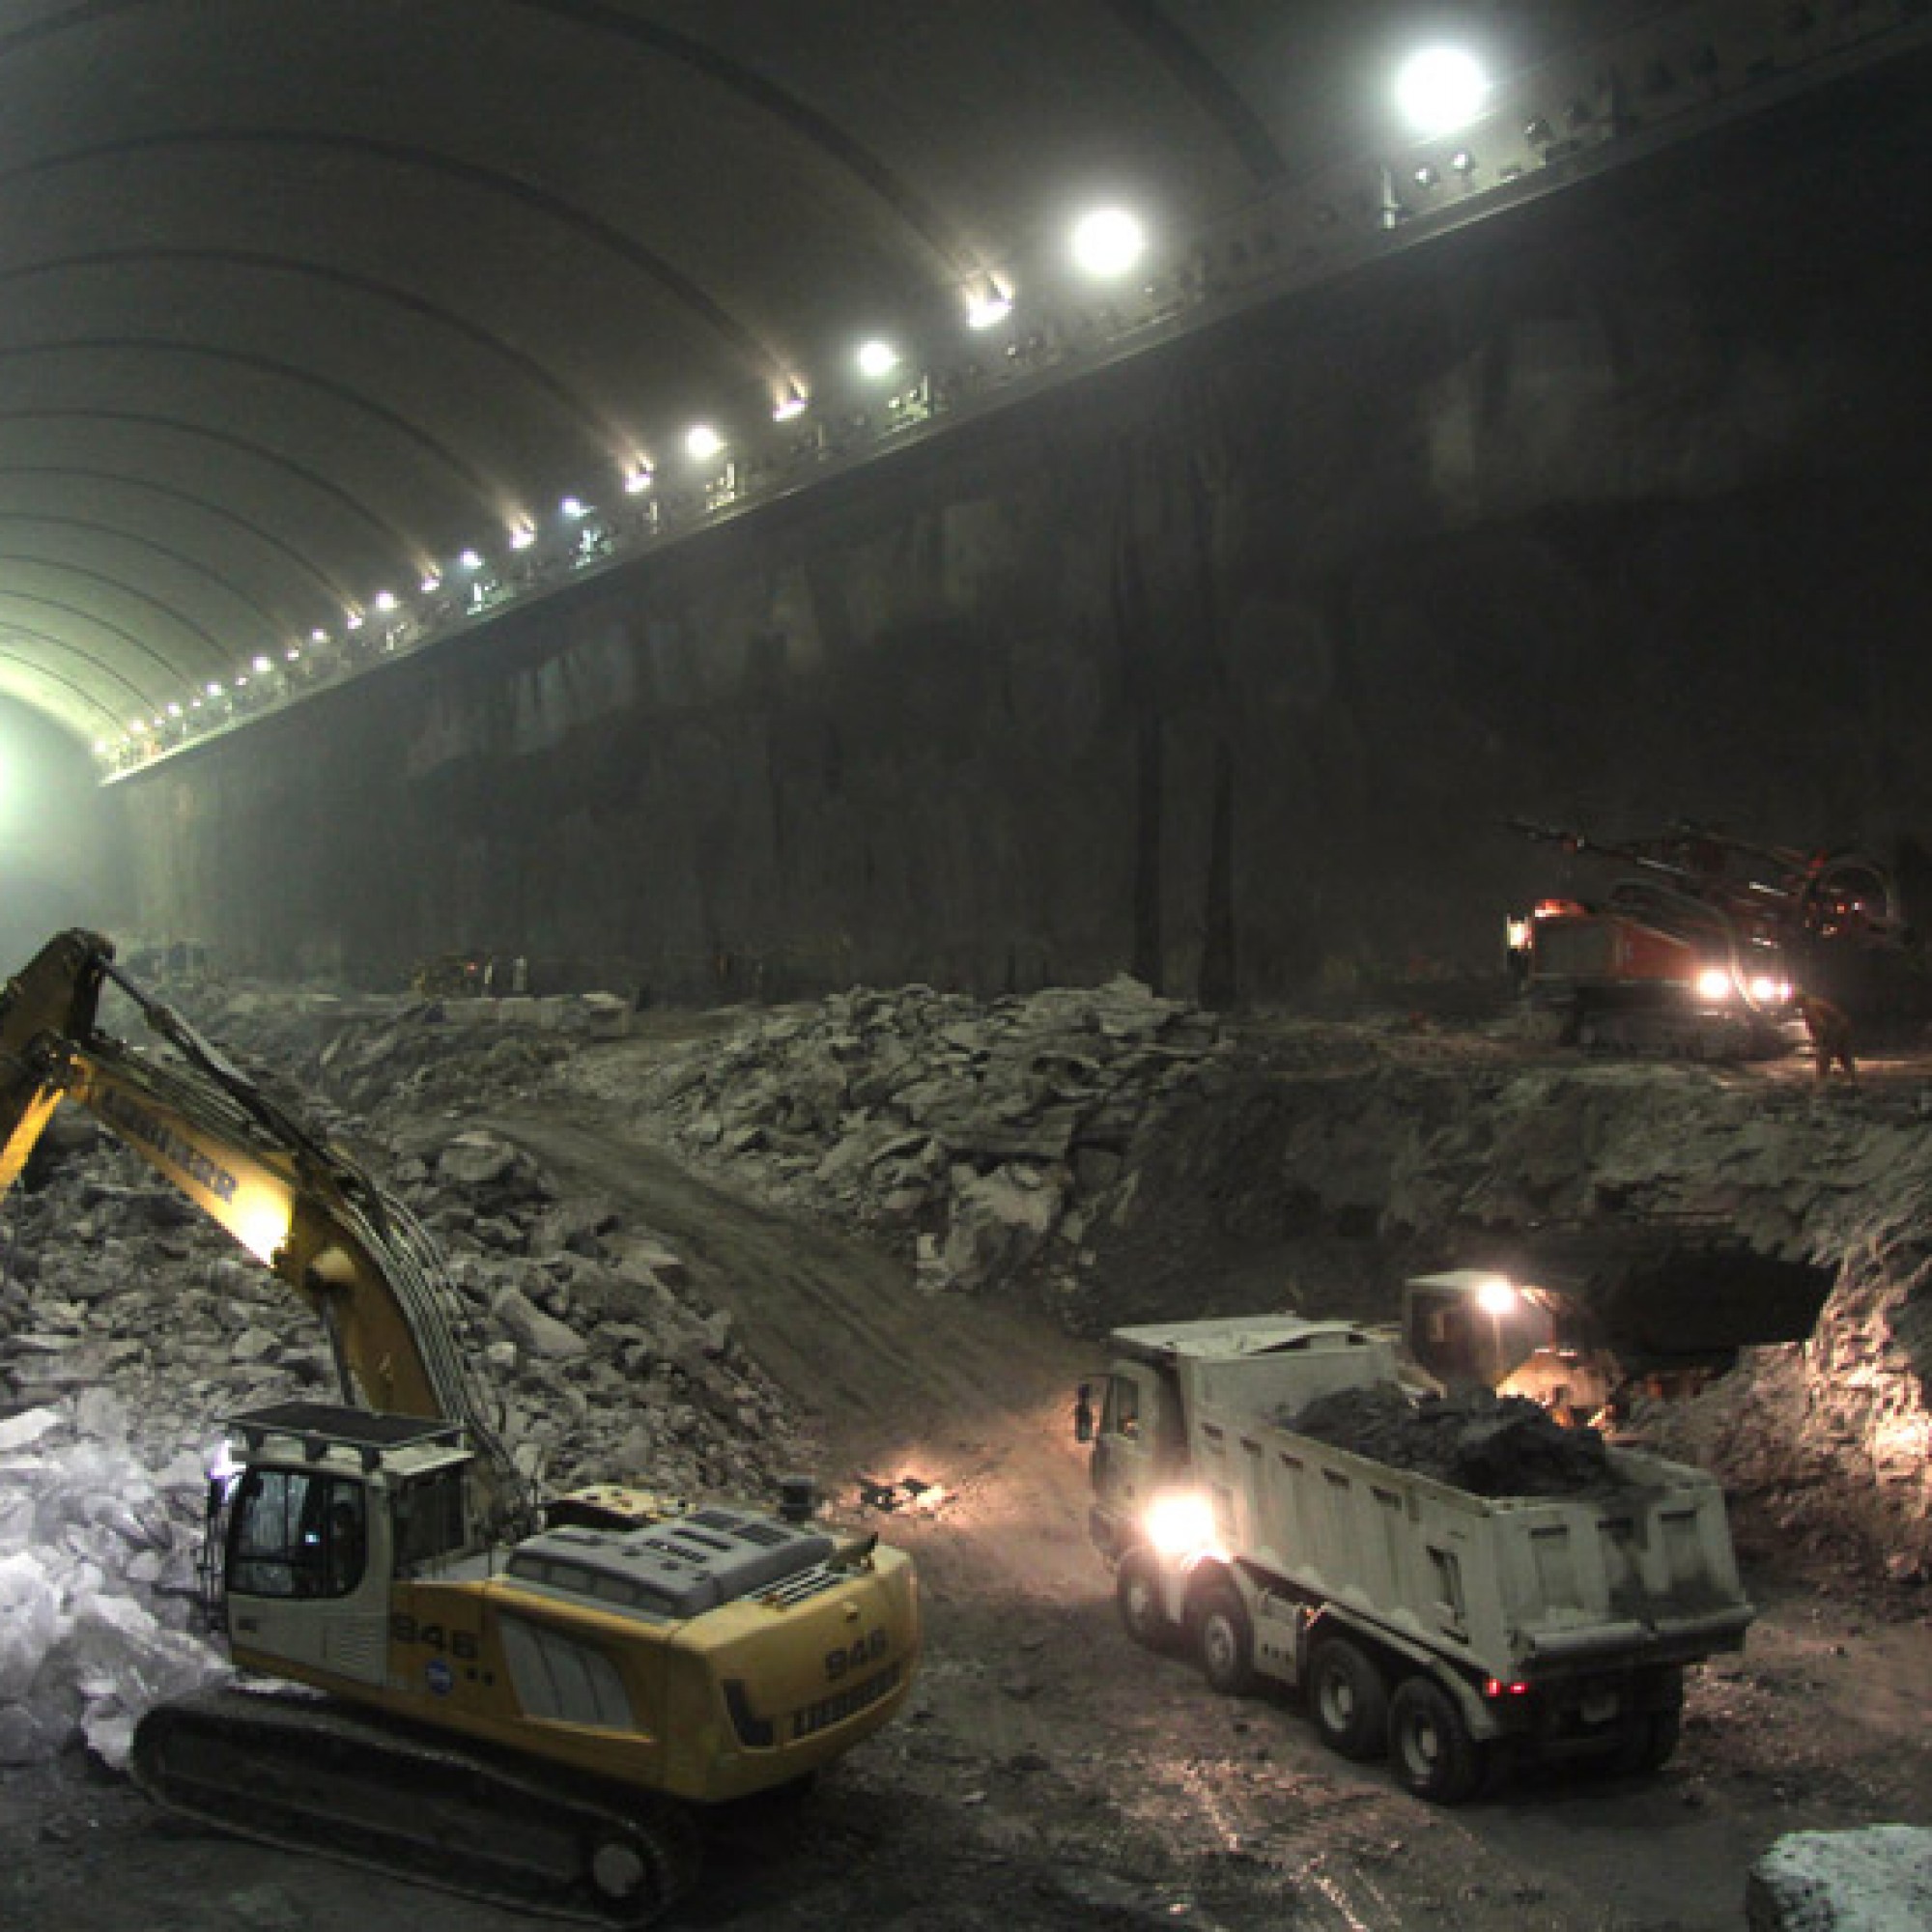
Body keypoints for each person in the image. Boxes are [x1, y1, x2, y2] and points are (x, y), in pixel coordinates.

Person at [1793, 990, 1857, 1083]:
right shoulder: (1813, 1002)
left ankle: (1822, 1082)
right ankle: (1852, 1079)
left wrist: (1821, 1041)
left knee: (1824, 1056)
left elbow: (1820, 1025)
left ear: (1798, 1001)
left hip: (1835, 1029)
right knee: (1843, 1054)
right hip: (1842, 1026)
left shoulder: (1809, 1007)